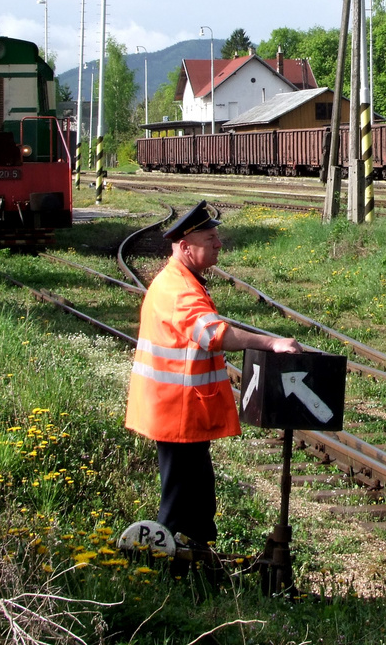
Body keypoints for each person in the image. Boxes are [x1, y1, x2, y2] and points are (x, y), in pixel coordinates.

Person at [124, 201, 300, 556]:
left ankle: (197, 557)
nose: (219, 244)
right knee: (179, 503)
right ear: (186, 247)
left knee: (197, 497)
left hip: (181, 411)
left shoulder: (182, 281)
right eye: (211, 238)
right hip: (176, 412)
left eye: (218, 237)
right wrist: (272, 343)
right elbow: (214, 335)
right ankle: (162, 566)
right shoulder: (178, 289)